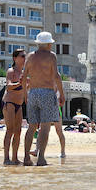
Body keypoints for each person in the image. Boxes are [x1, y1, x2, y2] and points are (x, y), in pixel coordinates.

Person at [22, 31, 66, 166]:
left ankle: (26, 158)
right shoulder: (51, 56)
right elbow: (56, 76)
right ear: (47, 44)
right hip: (47, 92)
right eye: (50, 44)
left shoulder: (30, 56)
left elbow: (24, 77)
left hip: (33, 93)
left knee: (32, 127)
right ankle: (41, 158)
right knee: (45, 127)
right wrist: (62, 94)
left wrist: (25, 95)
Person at [2, 49, 27, 165]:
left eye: (25, 56)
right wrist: (19, 83)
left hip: (19, 104)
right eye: (22, 56)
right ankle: (6, 158)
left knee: (18, 131)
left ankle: (15, 158)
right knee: (10, 130)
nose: (24, 58)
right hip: (9, 103)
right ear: (15, 58)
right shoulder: (11, 71)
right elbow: (8, 86)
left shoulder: (25, 72)